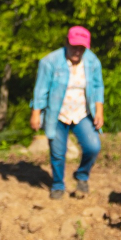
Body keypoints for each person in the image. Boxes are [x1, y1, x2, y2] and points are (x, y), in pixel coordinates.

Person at [30, 26, 104, 200]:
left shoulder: (92, 62)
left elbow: (98, 85)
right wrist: (35, 113)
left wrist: (99, 109)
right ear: (66, 43)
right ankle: (57, 184)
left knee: (93, 146)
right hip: (57, 114)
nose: (77, 51)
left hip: (82, 112)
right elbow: (40, 89)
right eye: (74, 47)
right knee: (58, 152)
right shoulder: (50, 62)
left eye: (82, 48)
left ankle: (82, 175)